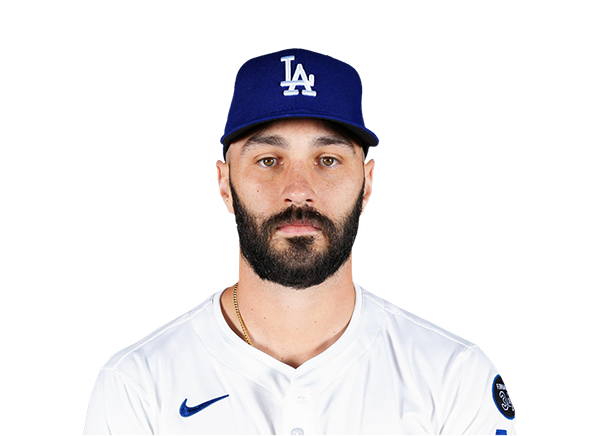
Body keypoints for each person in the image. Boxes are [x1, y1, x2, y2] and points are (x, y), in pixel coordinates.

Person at [84, 49, 516, 435]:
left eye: (327, 160)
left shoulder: (452, 377)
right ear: (223, 183)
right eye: (268, 160)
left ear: (367, 183)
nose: (297, 190)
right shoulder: (138, 385)